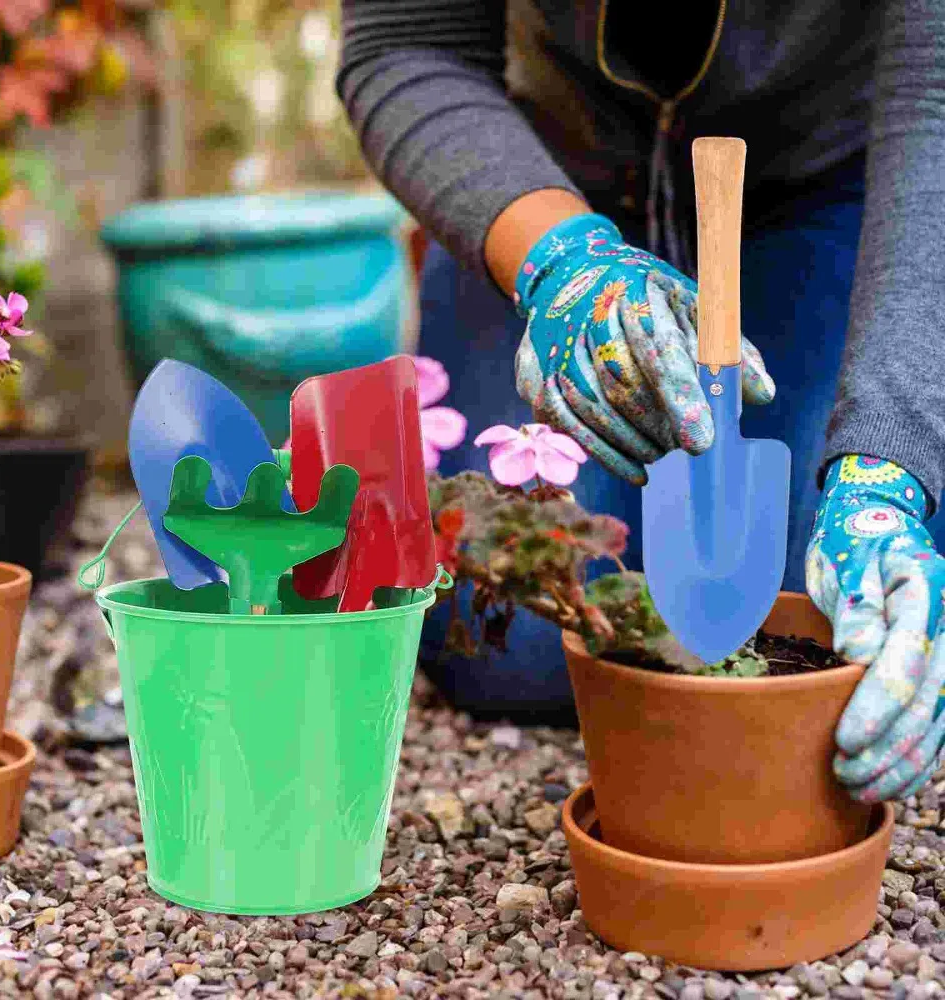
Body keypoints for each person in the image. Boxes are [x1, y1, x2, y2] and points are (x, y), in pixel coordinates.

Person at [336, 1, 945, 802]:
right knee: (512, 640)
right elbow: (406, 46)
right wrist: (562, 259)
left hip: (829, 191)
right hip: (546, 183)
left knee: (833, 624)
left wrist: (886, 468)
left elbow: (932, 96)